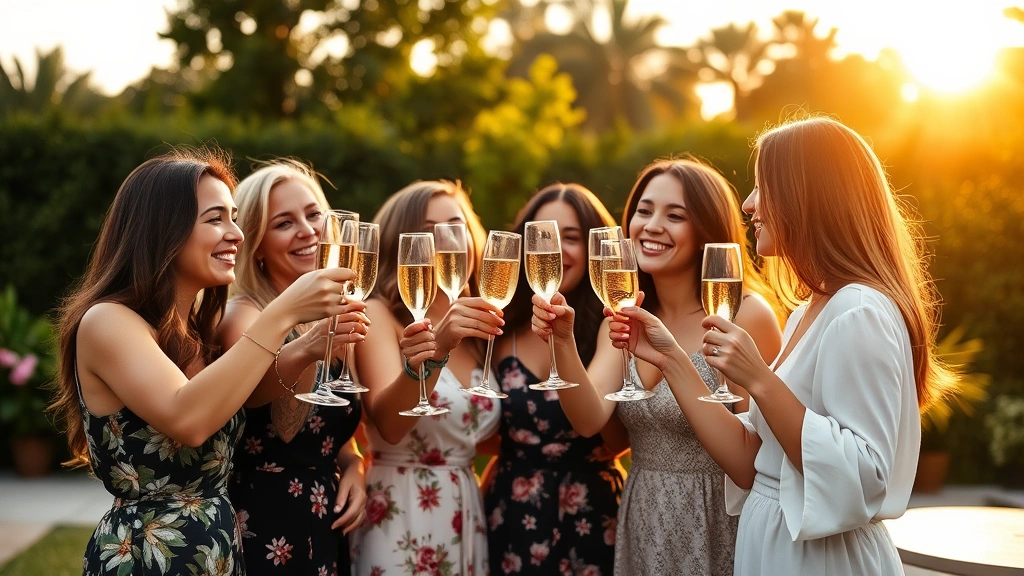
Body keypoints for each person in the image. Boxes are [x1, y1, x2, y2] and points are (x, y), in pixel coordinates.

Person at [604, 117, 956, 575]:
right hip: (776, 548)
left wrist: (760, 380)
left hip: (822, 560)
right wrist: (672, 359)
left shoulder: (860, 311)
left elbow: (866, 477)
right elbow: (753, 465)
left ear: (808, 197)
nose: (749, 205)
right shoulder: (808, 312)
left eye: (762, 187)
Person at [50, 149, 353, 575]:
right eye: (216, 219)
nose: (236, 233)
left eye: (234, 217)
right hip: (150, 557)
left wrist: (306, 347)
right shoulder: (108, 322)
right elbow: (189, 418)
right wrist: (282, 313)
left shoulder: (194, 331)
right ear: (162, 231)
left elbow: (245, 397)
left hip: (217, 550)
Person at [532, 159, 783, 574]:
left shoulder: (746, 315)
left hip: (717, 520)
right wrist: (562, 343)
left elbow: (763, 457)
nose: (651, 225)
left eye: (675, 215)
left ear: (706, 229)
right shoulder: (626, 312)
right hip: (644, 513)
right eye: (644, 211)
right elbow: (589, 418)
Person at [214, 159, 370, 576]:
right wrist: (310, 343)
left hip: (324, 520)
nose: (308, 230)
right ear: (256, 244)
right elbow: (286, 426)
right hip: (268, 524)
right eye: (284, 223)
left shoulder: (330, 314)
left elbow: (331, 426)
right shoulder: (242, 317)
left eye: (314, 214)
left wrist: (354, 464)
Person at [351, 180, 502, 576]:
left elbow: (478, 432)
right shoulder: (378, 315)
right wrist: (439, 349)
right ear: (401, 246)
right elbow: (390, 424)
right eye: (428, 230)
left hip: (465, 510)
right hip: (401, 511)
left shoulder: (483, 328)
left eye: (456, 225)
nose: (446, 240)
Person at [484, 183, 626, 575]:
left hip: (591, 512)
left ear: (594, 249)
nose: (556, 249)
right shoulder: (501, 326)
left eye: (572, 237)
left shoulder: (611, 324)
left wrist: (562, 342)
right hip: (512, 512)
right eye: (543, 236)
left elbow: (604, 428)